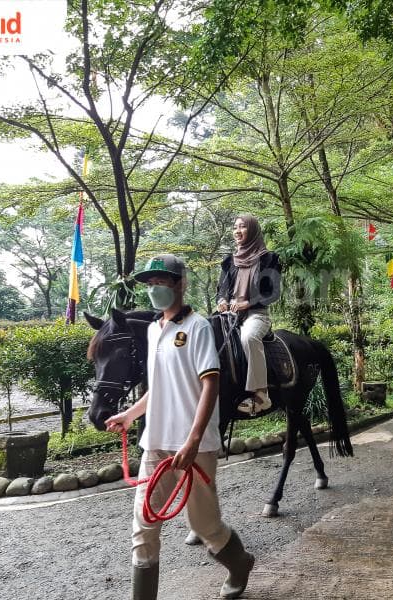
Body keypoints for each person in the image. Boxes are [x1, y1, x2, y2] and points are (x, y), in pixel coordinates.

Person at [105, 254, 255, 600]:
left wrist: (193, 440)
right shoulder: (152, 328)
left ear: (179, 284)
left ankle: (240, 563)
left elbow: (210, 384)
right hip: (155, 443)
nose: (155, 289)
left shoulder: (198, 327)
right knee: (143, 527)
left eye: (162, 282)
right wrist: (130, 414)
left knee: (204, 526)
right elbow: (159, 386)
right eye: (151, 283)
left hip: (194, 449)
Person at [216, 214, 281, 415]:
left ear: (252, 230)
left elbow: (273, 293)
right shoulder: (229, 261)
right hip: (229, 315)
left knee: (249, 337)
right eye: (235, 227)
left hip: (256, 315)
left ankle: (261, 395)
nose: (237, 231)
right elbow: (221, 290)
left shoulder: (269, 259)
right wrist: (222, 301)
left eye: (242, 227)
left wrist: (247, 303)